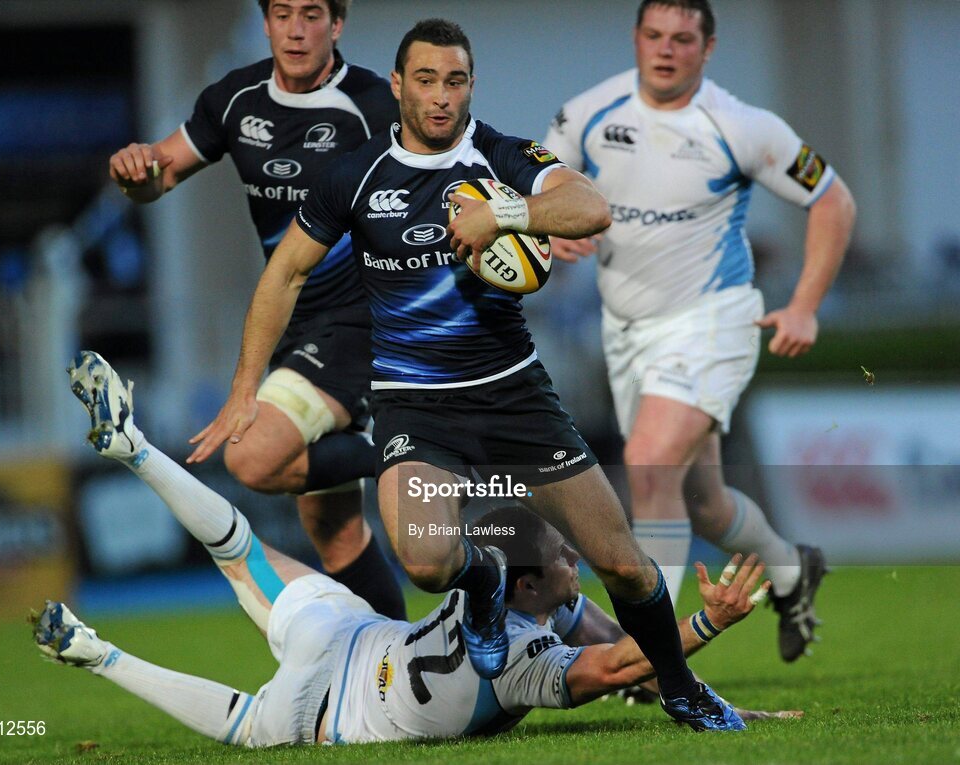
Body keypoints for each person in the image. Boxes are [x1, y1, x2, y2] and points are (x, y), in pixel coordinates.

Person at [187, 18, 745, 730]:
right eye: (425, 80)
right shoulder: (353, 174)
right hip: (417, 409)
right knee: (424, 558)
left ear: (470, 86)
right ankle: (484, 576)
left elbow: (590, 206)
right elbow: (284, 273)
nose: (441, 96)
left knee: (627, 565)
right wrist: (244, 389)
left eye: (455, 81)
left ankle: (680, 686)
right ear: (397, 86)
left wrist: (504, 212)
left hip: (516, 401)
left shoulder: (500, 155)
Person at [33, 350, 773, 745]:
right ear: (522, 587)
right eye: (560, 558)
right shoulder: (518, 662)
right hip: (327, 707)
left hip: (348, 630)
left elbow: (620, 644)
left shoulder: (530, 593)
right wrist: (709, 623)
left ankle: (135, 449)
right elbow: (615, 663)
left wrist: (700, 687)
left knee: (237, 546)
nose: (572, 562)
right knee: (242, 724)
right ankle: (100, 655)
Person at [542, 0, 856, 663]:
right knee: (705, 502)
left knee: (651, 468)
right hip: (628, 332)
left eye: (682, 39)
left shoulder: (742, 126)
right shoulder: (588, 112)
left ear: (707, 49)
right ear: (635, 38)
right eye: (653, 35)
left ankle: (648, 659)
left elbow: (834, 200)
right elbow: (541, 179)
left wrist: (803, 303)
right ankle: (793, 568)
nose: (665, 50)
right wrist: (547, 227)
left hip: (713, 321)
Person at [107, 0, 406, 619]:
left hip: (364, 320)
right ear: (265, 22)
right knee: (336, 530)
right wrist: (134, 171)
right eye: (283, 14)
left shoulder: (373, 105)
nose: (297, 30)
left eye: (313, 14)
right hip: (300, 323)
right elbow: (157, 177)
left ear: (338, 24)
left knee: (251, 456)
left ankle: (408, 447)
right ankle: (401, 674)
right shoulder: (234, 100)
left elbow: (442, 175)